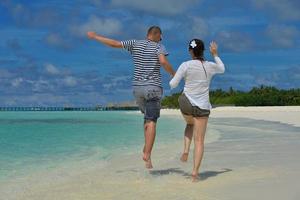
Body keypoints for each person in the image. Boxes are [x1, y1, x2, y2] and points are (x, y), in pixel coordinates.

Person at [87, 26, 175, 169]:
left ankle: (148, 158)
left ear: (147, 35)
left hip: (137, 89)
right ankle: (147, 153)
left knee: (146, 119)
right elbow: (163, 62)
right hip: (152, 88)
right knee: (152, 121)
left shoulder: (135, 43)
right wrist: (173, 73)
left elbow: (114, 44)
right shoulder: (159, 47)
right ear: (158, 36)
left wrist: (96, 36)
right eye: (161, 37)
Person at [169, 39, 225, 181]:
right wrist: (215, 54)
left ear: (190, 51)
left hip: (186, 104)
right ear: (203, 51)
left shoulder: (185, 65)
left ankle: (186, 150)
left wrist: (177, 76)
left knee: (189, 124)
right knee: (199, 141)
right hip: (203, 108)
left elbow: (173, 84)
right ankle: (194, 173)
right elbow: (222, 69)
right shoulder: (210, 66)